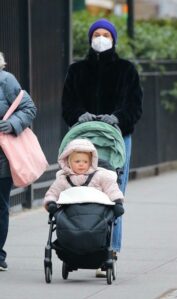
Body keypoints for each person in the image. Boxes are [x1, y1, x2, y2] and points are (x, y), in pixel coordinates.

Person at [61, 18, 143, 275]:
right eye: (96, 33)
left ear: (113, 39)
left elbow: (134, 106)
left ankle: (110, 249)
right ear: (90, 38)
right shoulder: (77, 71)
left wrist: (118, 118)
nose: (101, 38)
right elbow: (68, 104)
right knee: (78, 188)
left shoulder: (126, 70)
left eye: (105, 34)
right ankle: (77, 243)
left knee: (113, 190)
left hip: (116, 138)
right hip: (84, 138)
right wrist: (80, 115)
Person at [0, 52, 37, 271]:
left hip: (2, 158)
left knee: (0, 208)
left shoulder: (6, 80)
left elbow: (29, 108)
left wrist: (13, 124)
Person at [44, 138, 124, 217]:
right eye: (77, 161)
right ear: (69, 162)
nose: (81, 164)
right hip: (70, 217)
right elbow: (53, 192)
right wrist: (51, 202)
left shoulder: (100, 175)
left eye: (85, 162)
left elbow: (111, 188)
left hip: (97, 215)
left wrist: (117, 202)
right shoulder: (63, 179)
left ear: (91, 162)